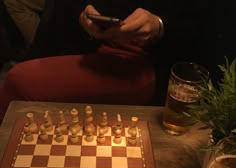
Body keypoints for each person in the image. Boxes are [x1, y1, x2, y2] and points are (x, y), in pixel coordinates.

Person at [0, 0, 216, 121]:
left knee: (19, 81)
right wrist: (85, 17)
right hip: (93, 46)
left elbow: (201, 27)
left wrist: (158, 25)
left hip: (148, 62)